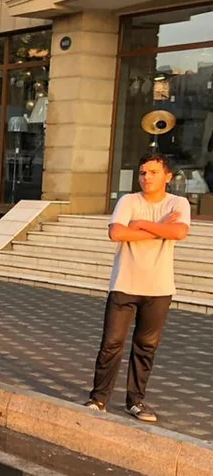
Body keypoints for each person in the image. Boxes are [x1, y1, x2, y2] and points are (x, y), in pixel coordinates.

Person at [86, 153, 190, 422]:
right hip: (124, 283)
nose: (146, 177)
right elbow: (117, 233)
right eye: (143, 172)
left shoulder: (178, 203)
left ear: (167, 176)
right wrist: (160, 228)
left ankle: (135, 401)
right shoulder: (128, 201)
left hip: (159, 288)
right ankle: (98, 399)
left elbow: (179, 232)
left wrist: (141, 224)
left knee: (146, 346)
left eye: (153, 172)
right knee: (111, 342)